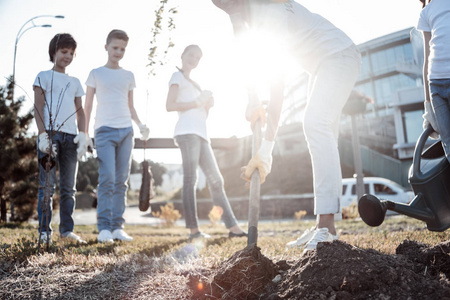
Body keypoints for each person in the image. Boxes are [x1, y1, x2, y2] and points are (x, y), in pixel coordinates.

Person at [212, 0, 361, 251]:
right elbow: (246, 57)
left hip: (339, 55)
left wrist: (267, 150)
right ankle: (322, 224)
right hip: (322, 64)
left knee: (315, 125)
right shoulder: (239, 11)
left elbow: (277, 84)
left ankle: (327, 227)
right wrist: (253, 99)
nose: (230, 12)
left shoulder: (270, 13)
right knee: (320, 131)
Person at [166, 44, 247, 240]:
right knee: (190, 180)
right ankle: (194, 230)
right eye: (191, 55)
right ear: (183, 55)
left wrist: (207, 106)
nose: (194, 59)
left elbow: (201, 115)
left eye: (198, 57)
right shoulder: (176, 77)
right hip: (186, 133)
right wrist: (197, 103)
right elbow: (170, 106)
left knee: (216, 180)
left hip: (202, 134)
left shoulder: (197, 85)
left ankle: (233, 227)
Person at [84, 29, 150, 243]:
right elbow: (87, 107)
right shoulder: (96, 73)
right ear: (106, 47)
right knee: (108, 179)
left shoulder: (128, 75)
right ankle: (103, 227)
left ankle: (117, 227)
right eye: (115, 48)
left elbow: (131, 106)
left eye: (122, 49)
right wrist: (83, 133)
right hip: (103, 131)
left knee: (122, 181)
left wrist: (140, 125)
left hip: (126, 132)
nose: (118, 52)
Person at [33, 33, 88, 244]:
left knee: (69, 188)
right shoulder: (43, 76)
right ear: (53, 52)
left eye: (71, 53)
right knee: (47, 186)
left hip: (71, 138)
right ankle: (44, 231)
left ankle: (66, 231)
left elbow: (80, 112)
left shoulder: (75, 82)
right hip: (51, 136)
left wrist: (83, 135)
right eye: (64, 52)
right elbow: (38, 107)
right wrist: (42, 135)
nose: (68, 56)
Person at [418, 0, 450, 161]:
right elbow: (426, 60)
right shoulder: (426, 12)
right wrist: (427, 104)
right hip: (436, 85)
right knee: (449, 147)